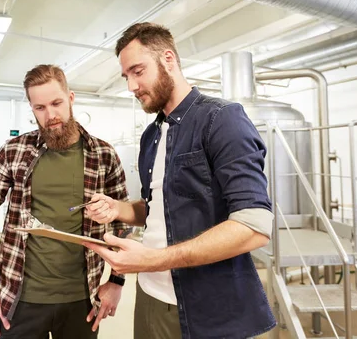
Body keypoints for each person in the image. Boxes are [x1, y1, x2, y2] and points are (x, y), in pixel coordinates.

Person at [84, 23, 277, 339]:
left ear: (168, 59)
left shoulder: (221, 119)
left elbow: (253, 227)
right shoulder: (151, 135)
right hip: (149, 296)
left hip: (206, 308)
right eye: (126, 77)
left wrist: (154, 260)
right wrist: (117, 208)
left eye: (138, 71)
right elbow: (158, 207)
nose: (132, 86)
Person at [0, 64, 130, 339]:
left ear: (71, 98)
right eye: (40, 108)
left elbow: (125, 221)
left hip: (82, 299)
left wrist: (117, 282)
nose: (51, 116)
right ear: (31, 109)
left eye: (56, 103)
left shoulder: (103, 154)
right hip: (20, 299)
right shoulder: (14, 152)